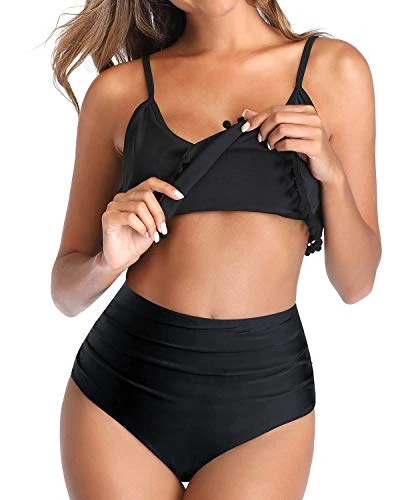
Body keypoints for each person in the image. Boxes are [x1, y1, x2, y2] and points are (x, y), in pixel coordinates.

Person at [50, 1, 381, 498]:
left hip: (264, 406)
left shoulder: (335, 70)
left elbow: (357, 284)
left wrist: (330, 171)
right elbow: (65, 292)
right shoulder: (119, 92)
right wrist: (107, 262)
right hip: (121, 395)